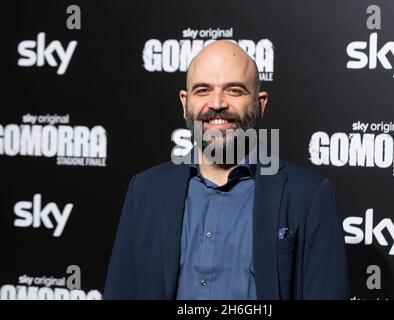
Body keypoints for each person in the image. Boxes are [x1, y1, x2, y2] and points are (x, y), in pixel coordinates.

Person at [103, 40, 348, 300]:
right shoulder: (145, 191)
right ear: (185, 103)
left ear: (260, 104)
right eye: (203, 90)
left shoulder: (308, 196)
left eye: (234, 90)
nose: (217, 103)